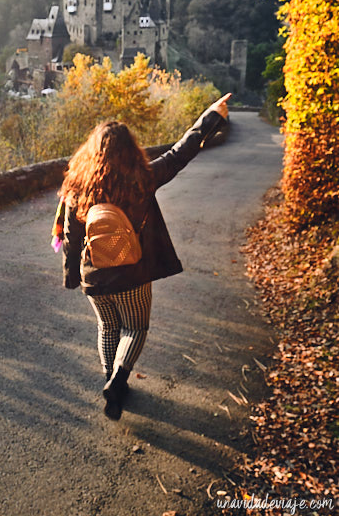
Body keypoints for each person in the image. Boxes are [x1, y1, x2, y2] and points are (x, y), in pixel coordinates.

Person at [55, 93, 231, 420]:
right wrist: (211, 117)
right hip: (132, 272)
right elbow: (181, 152)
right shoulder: (142, 179)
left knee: (107, 326)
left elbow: (70, 236)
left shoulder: (77, 187)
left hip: (94, 275)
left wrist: (71, 275)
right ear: (130, 151)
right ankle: (119, 380)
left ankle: (111, 380)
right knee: (134, 329)